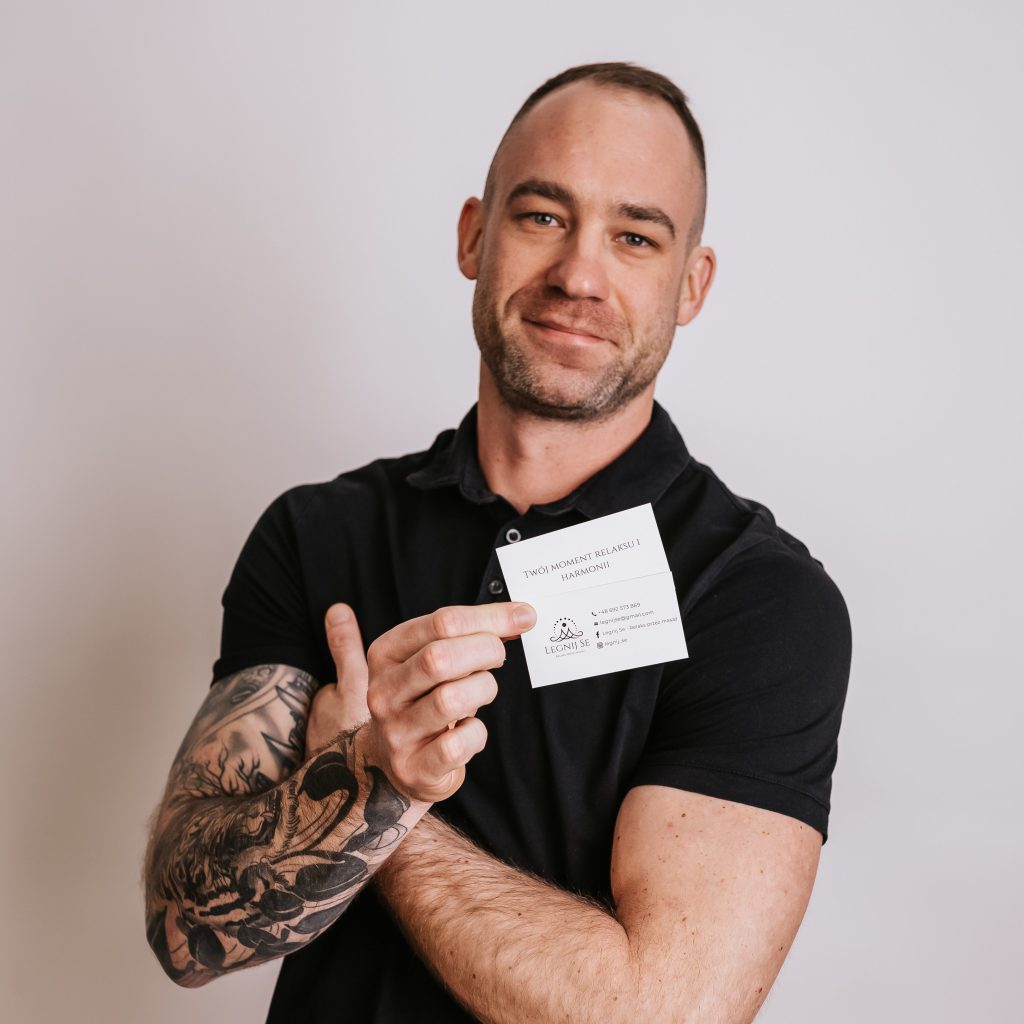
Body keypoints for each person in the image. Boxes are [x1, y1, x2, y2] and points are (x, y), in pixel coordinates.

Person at [143, 61, 852, 1022]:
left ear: (691, 284)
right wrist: (366, 780)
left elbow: (661, 1012)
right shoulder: (319, 533)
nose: (579, 275)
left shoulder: (759, 599)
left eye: (635, 237)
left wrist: (373, 791)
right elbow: (184, 930)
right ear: (474, 235)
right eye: (543, 216)